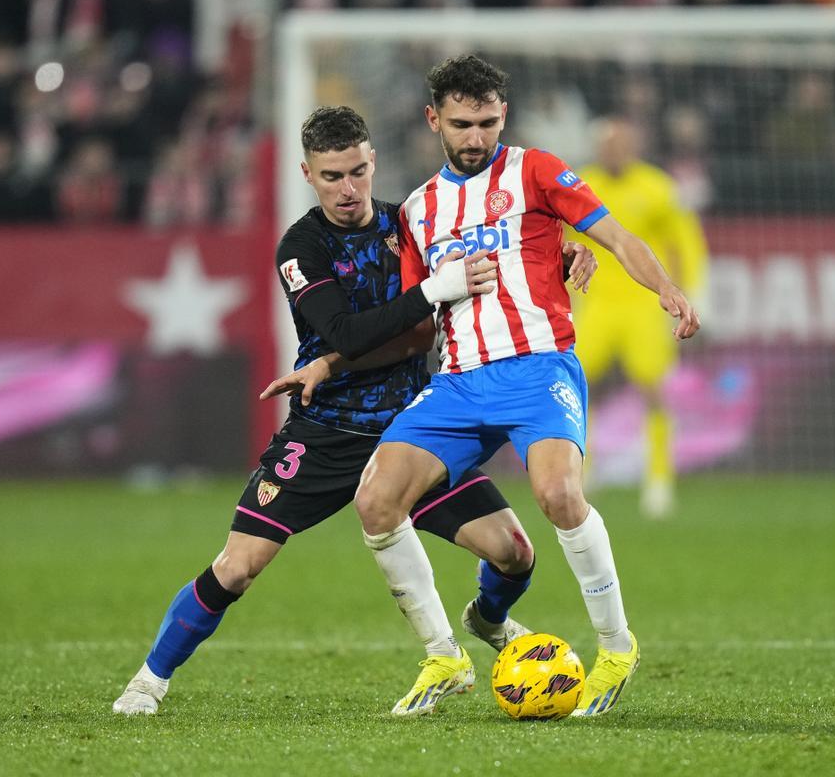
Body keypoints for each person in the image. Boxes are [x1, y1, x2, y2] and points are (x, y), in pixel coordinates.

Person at [112, 105, 596, 716]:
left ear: (374, 164)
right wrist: (424, 296)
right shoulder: (301, 248)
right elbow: (343, 329)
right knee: (238, 567)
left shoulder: (412, 224)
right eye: (333, 176)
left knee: (515, 553)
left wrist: (569, 255)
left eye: (359, 172)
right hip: (326, 432)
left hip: (412, 430)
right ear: (309, 175)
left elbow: (484, 278)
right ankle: (148, 680)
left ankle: (489, 623)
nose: (349, 189)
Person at [351, 55, 699, 718]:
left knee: (560, 493)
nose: (476, 137)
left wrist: (668, 290)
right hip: (456, 381)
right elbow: (411, 318)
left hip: (538, 368)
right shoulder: (419, 210)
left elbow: (618, 236)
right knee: (375, 501)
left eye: (487, 122)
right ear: (434, 121)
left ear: (502, 115)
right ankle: (444, 656)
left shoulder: (537, 171)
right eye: (461, 124)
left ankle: (616, 645)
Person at [568, 116, 709, 517]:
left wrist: (688, 292)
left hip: (644, 304)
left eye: (621, 144)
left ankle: (659, 478)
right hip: (594, 302)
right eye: (607, 145)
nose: (614, 152)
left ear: (633, 147)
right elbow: (562, 241)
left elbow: (684, 242)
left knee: (652, 389)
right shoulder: (580, 185)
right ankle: (584, 470)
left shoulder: (658, 188)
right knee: (577, 384)